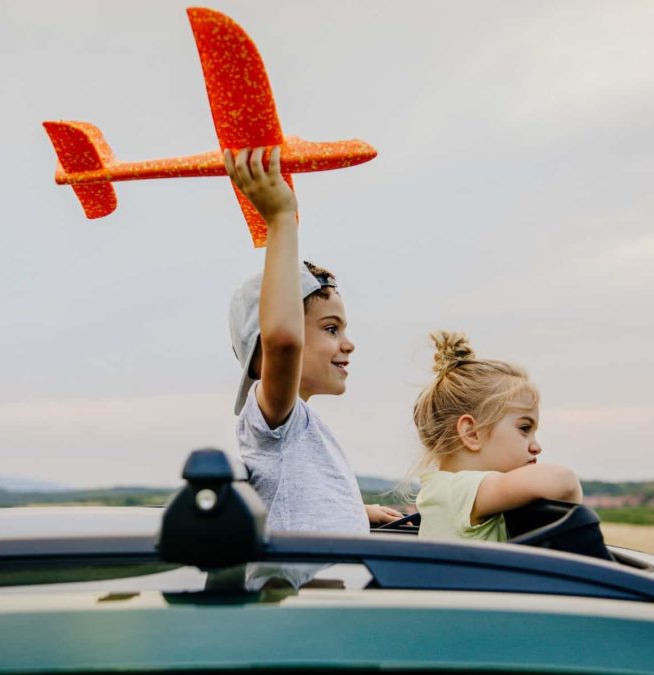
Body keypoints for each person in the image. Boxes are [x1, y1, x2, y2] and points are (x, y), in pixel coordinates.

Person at [225, 146, 402, 534]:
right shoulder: (273, 422)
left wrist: (355, 510)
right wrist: (280, 218)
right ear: (264, 355)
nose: (348, 343)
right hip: (299, 597)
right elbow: (284, 341)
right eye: (330, 329)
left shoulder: (302, 426)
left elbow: (297, 501)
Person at [410, 331, 582, 542]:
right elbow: (563, 481)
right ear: (471, 433)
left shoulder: (456, 494)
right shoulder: (455, 491)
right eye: (524, 428)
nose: (536, 447)